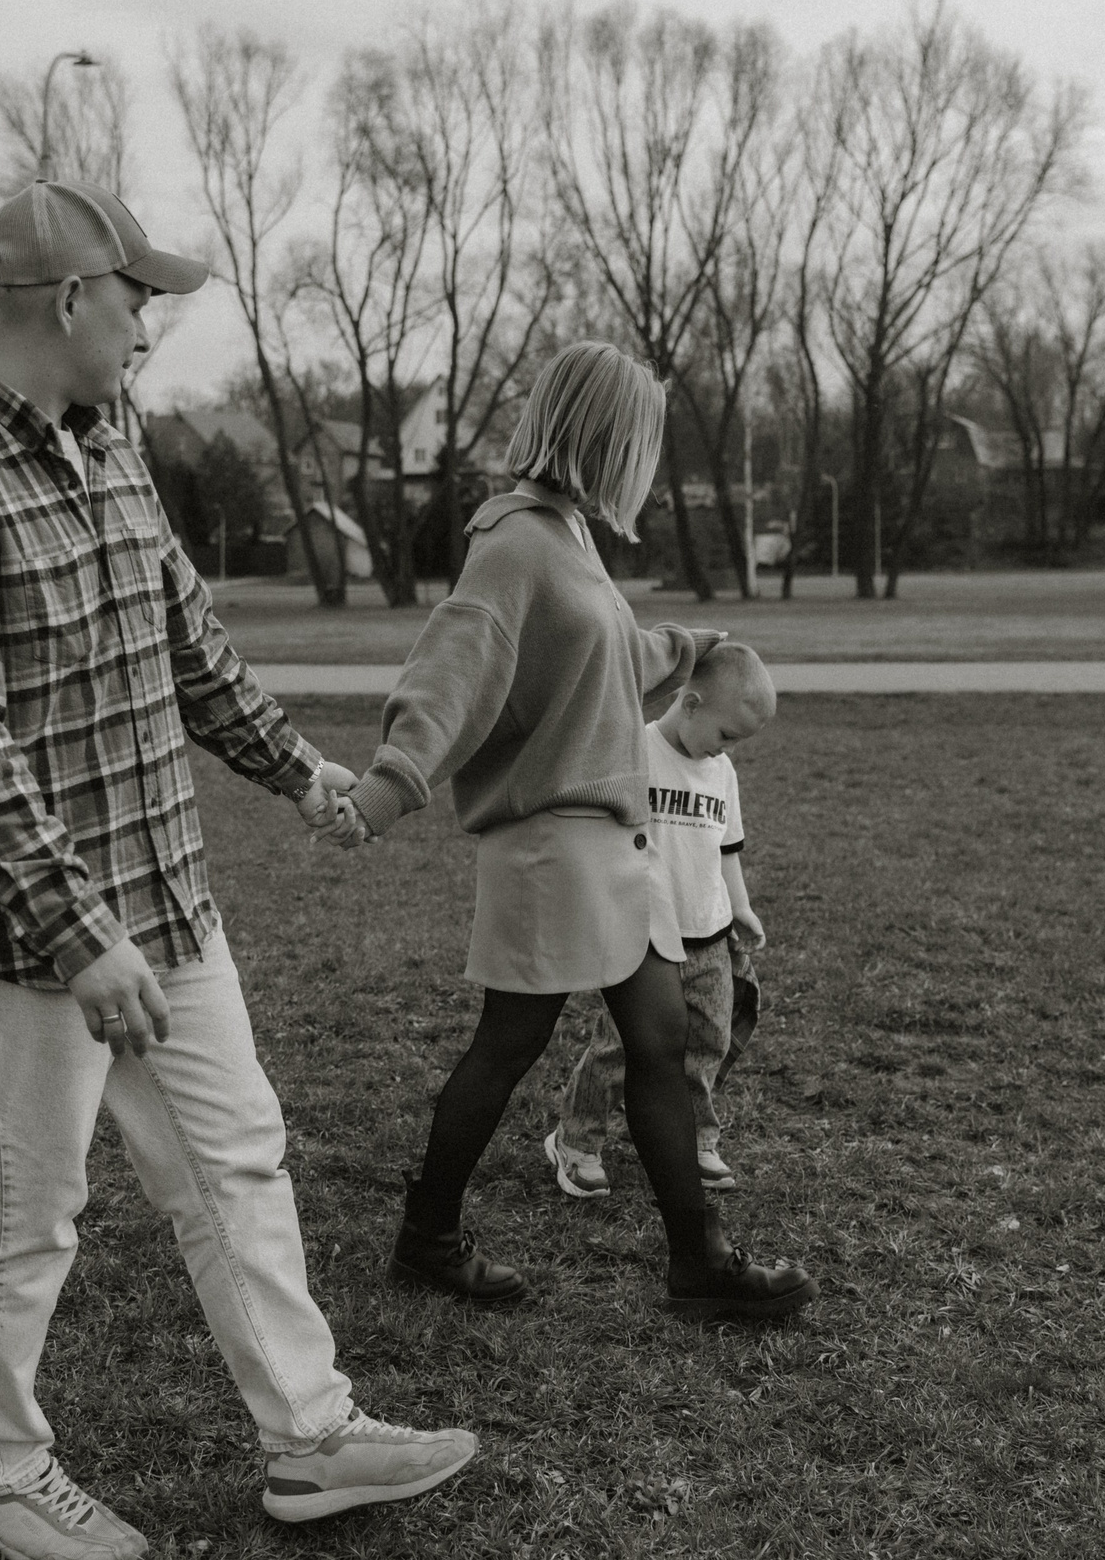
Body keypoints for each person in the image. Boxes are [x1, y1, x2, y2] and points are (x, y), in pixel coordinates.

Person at [0, 177, 475, 1560]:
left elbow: (185, 648)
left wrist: (301, 772)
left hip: (167, 900)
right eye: (138, 297)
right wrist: (78, 938)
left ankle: (309, 1436)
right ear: (69, 297)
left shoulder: (111, 442)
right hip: (23, 941)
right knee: (22, 1214)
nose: (149, 325)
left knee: (237, 1161)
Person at [326, 340, 814, 1321]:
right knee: (509, 1044)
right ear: (606, 436)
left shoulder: (568, 537)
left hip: (607, 844)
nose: (648, 460)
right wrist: (388, 784)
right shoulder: (513, 545)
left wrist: (688, 647)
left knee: (661, 1039)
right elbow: (454, 671)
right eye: (643, 441)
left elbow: (606, 663)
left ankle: (695, 1265)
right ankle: (426, 1237)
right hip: (550, 844)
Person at [544, 642, 775, 1201]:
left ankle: (695, 1138)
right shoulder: (635, 752)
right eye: (726, 735)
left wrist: (739, 906)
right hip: (644, 935)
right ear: (690, 704)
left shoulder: (720, 772)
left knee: (707, 1040)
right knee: (620, 1045)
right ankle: (575, 1142)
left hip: (710, 933)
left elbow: (727, 847)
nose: (727, 750)